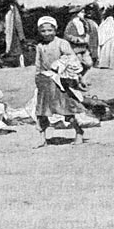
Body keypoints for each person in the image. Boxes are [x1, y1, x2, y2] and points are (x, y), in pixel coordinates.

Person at [33, 16, 85, 149]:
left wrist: (60, 65)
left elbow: (71, 58)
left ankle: (78, 131)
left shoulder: (62, 43)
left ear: (55, 30)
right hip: (44, 81)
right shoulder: (39, 46)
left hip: (59, 82)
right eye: (43, 31)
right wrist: (38, 77)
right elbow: (38, 64)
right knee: (41, 111)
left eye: (50, 30)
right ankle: (42, 137)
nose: (46, 33)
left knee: (66, 109)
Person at [64, 5, 95, 84]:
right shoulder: (71, 24)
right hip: (75, 48)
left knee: (88, 63)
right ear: (76, 13)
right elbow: (67, 35)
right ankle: (77, 81)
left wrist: (87, 37)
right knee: (78, 65)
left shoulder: (84, 22)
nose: (83, 14)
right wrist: (77, 39)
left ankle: (82, 78)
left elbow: (87, 32)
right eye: (82, 12)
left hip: (84, 47)